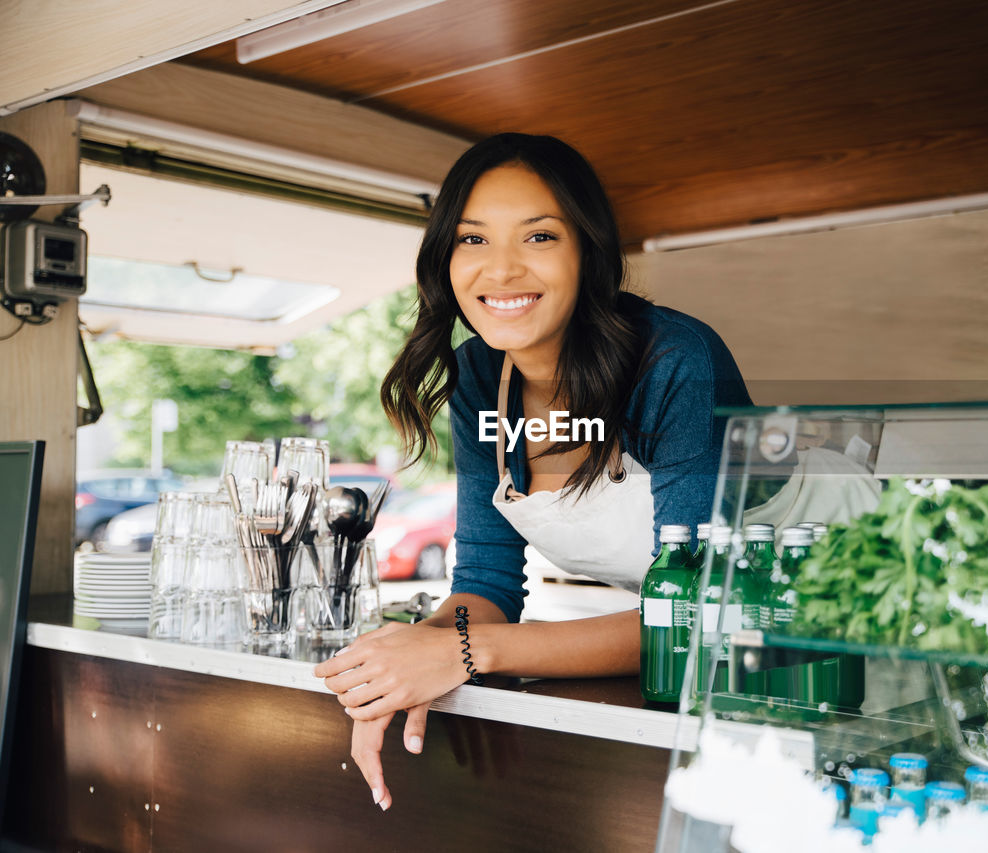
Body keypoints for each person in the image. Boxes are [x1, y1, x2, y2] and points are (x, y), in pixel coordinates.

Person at [314, 133, 751, 810]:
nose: (502, 270)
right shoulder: (478, 378)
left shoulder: (673, 359)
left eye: (539, 237)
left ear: (587, 250)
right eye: (473, 240)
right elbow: (485, 583)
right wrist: (401, 662)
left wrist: (464, 653)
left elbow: (689, 613)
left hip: (823, 630)